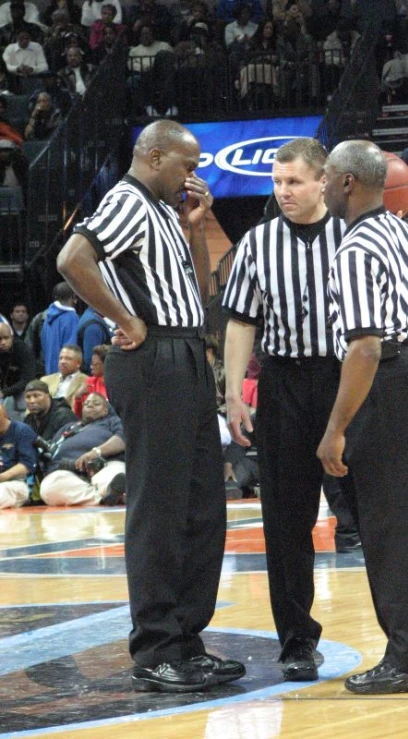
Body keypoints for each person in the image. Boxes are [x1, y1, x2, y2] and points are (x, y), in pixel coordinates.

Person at [56, 120, 243, 692]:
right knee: (161, 508)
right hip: (153, 356)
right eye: (187, 165)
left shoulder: (165, 210)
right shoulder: (128, 199)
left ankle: (187, 640)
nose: (194, 175)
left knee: (201, 506)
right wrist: (121, 316)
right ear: (154, 156)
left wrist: (193, 229)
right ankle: (157, 648)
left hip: (185, 351)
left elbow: (196, 290)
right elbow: (72, 258)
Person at [223, 137, 359, 682]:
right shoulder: (256, 243)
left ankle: (403, 640)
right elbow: (240, 321)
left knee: (373, 514)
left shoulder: (354, 237)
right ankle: (297, 640)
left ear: (323, 180)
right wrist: (234, 391)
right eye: (277, 183)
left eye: (294, 181)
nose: (283, 192)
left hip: (346, 379)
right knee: (285, 520)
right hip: (282, 384)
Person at [317, 139, 408, 694]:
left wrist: (335, 428)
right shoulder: (406, 233)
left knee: (390, 527)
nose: (321, 184)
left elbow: (365, 347)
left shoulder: (354, 248)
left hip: (388, 376)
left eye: (325, 175)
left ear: (348, 182)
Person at [38, 392, 125, 506]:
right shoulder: (69, 427)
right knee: (49, 487)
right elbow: (52, 452)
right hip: (72, 471)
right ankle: (104, 497)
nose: (90, 405)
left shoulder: (112, 421)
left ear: (105, 411)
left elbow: (123, 439)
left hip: (105, 463)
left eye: (96, 403)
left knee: (112, 476)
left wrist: (96, 452)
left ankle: (110, 490)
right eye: (87, 403)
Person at [0, 403, 37, 509]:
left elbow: (28, 465)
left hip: (18, 483)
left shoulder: (22, 430)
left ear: (5, 415)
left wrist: (3, 476)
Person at [40, 281, 79, 374]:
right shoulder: (72, 318)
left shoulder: (47, 317)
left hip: (50, 372)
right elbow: (71, 349)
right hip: (65, 373)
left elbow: (43, 345)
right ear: (74, 297)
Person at [0, 320, 35, 420]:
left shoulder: (23, 350)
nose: (3, 342)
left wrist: (5, 392)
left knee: (22, 406)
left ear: (12, 337)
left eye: (6, 338)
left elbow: (27, 378)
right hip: (5, 385)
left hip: (23, 385)